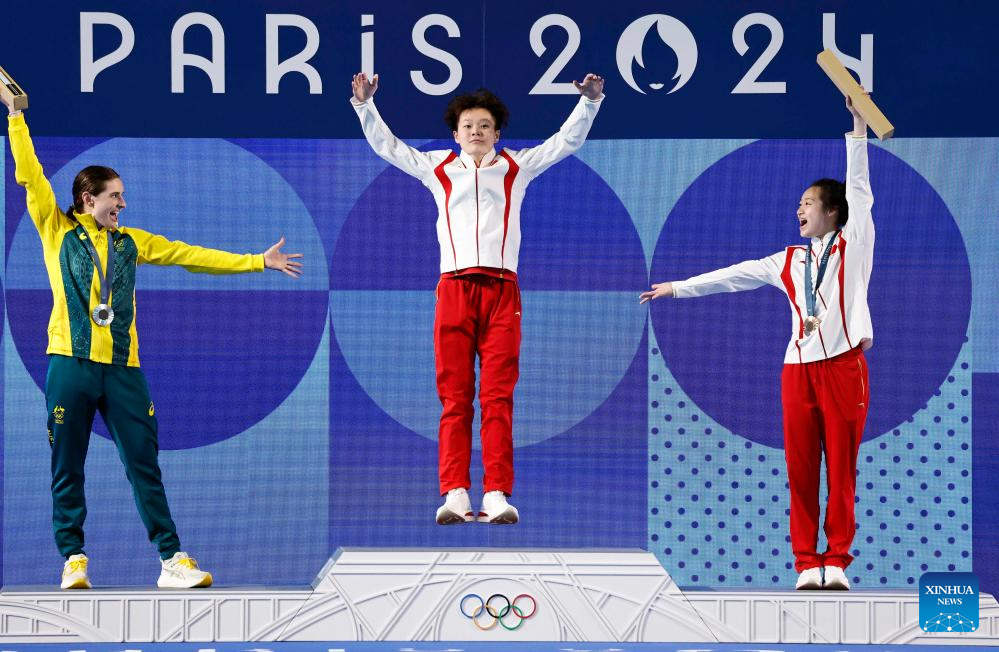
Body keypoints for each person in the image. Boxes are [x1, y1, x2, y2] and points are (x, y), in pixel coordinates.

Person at [4, 95, 303, 589]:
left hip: (123, 370)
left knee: (145, 465)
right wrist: (16, 118)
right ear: (88, 199)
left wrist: (256, 260)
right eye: (114, 196)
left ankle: (171, 560)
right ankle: (73, 558)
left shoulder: (131, 242)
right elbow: (30, 175)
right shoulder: (55, 229)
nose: (122, 204)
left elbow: (191, 255)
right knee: (66, 466)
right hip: (69, 362)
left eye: (121, 196)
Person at [640, 95, 874, 590]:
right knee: (802, 467)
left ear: (834, 212)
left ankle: (837, 560)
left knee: (843, 468)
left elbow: (860, 188)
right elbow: (733, 276)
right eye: (799, 204)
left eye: (808, 203)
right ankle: (807, 563)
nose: (799, 210)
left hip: (844, 368)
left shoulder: (856, 241)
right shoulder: (787, 260)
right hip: (797, 371)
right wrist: (677, 287)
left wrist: (857, 128)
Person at [350, 72, 605, 525]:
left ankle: (496, 493)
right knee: (454, 397)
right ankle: (455, 492)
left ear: (497, 133)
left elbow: (566, 142)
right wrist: (365, 106)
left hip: (502, 291)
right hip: (453, 289)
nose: (476, 132)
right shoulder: (437, 169)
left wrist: (590, 102)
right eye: (468, 125)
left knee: (497, 396)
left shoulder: (517, 167)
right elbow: (388, 146)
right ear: (455, 134)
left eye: (484, 125)